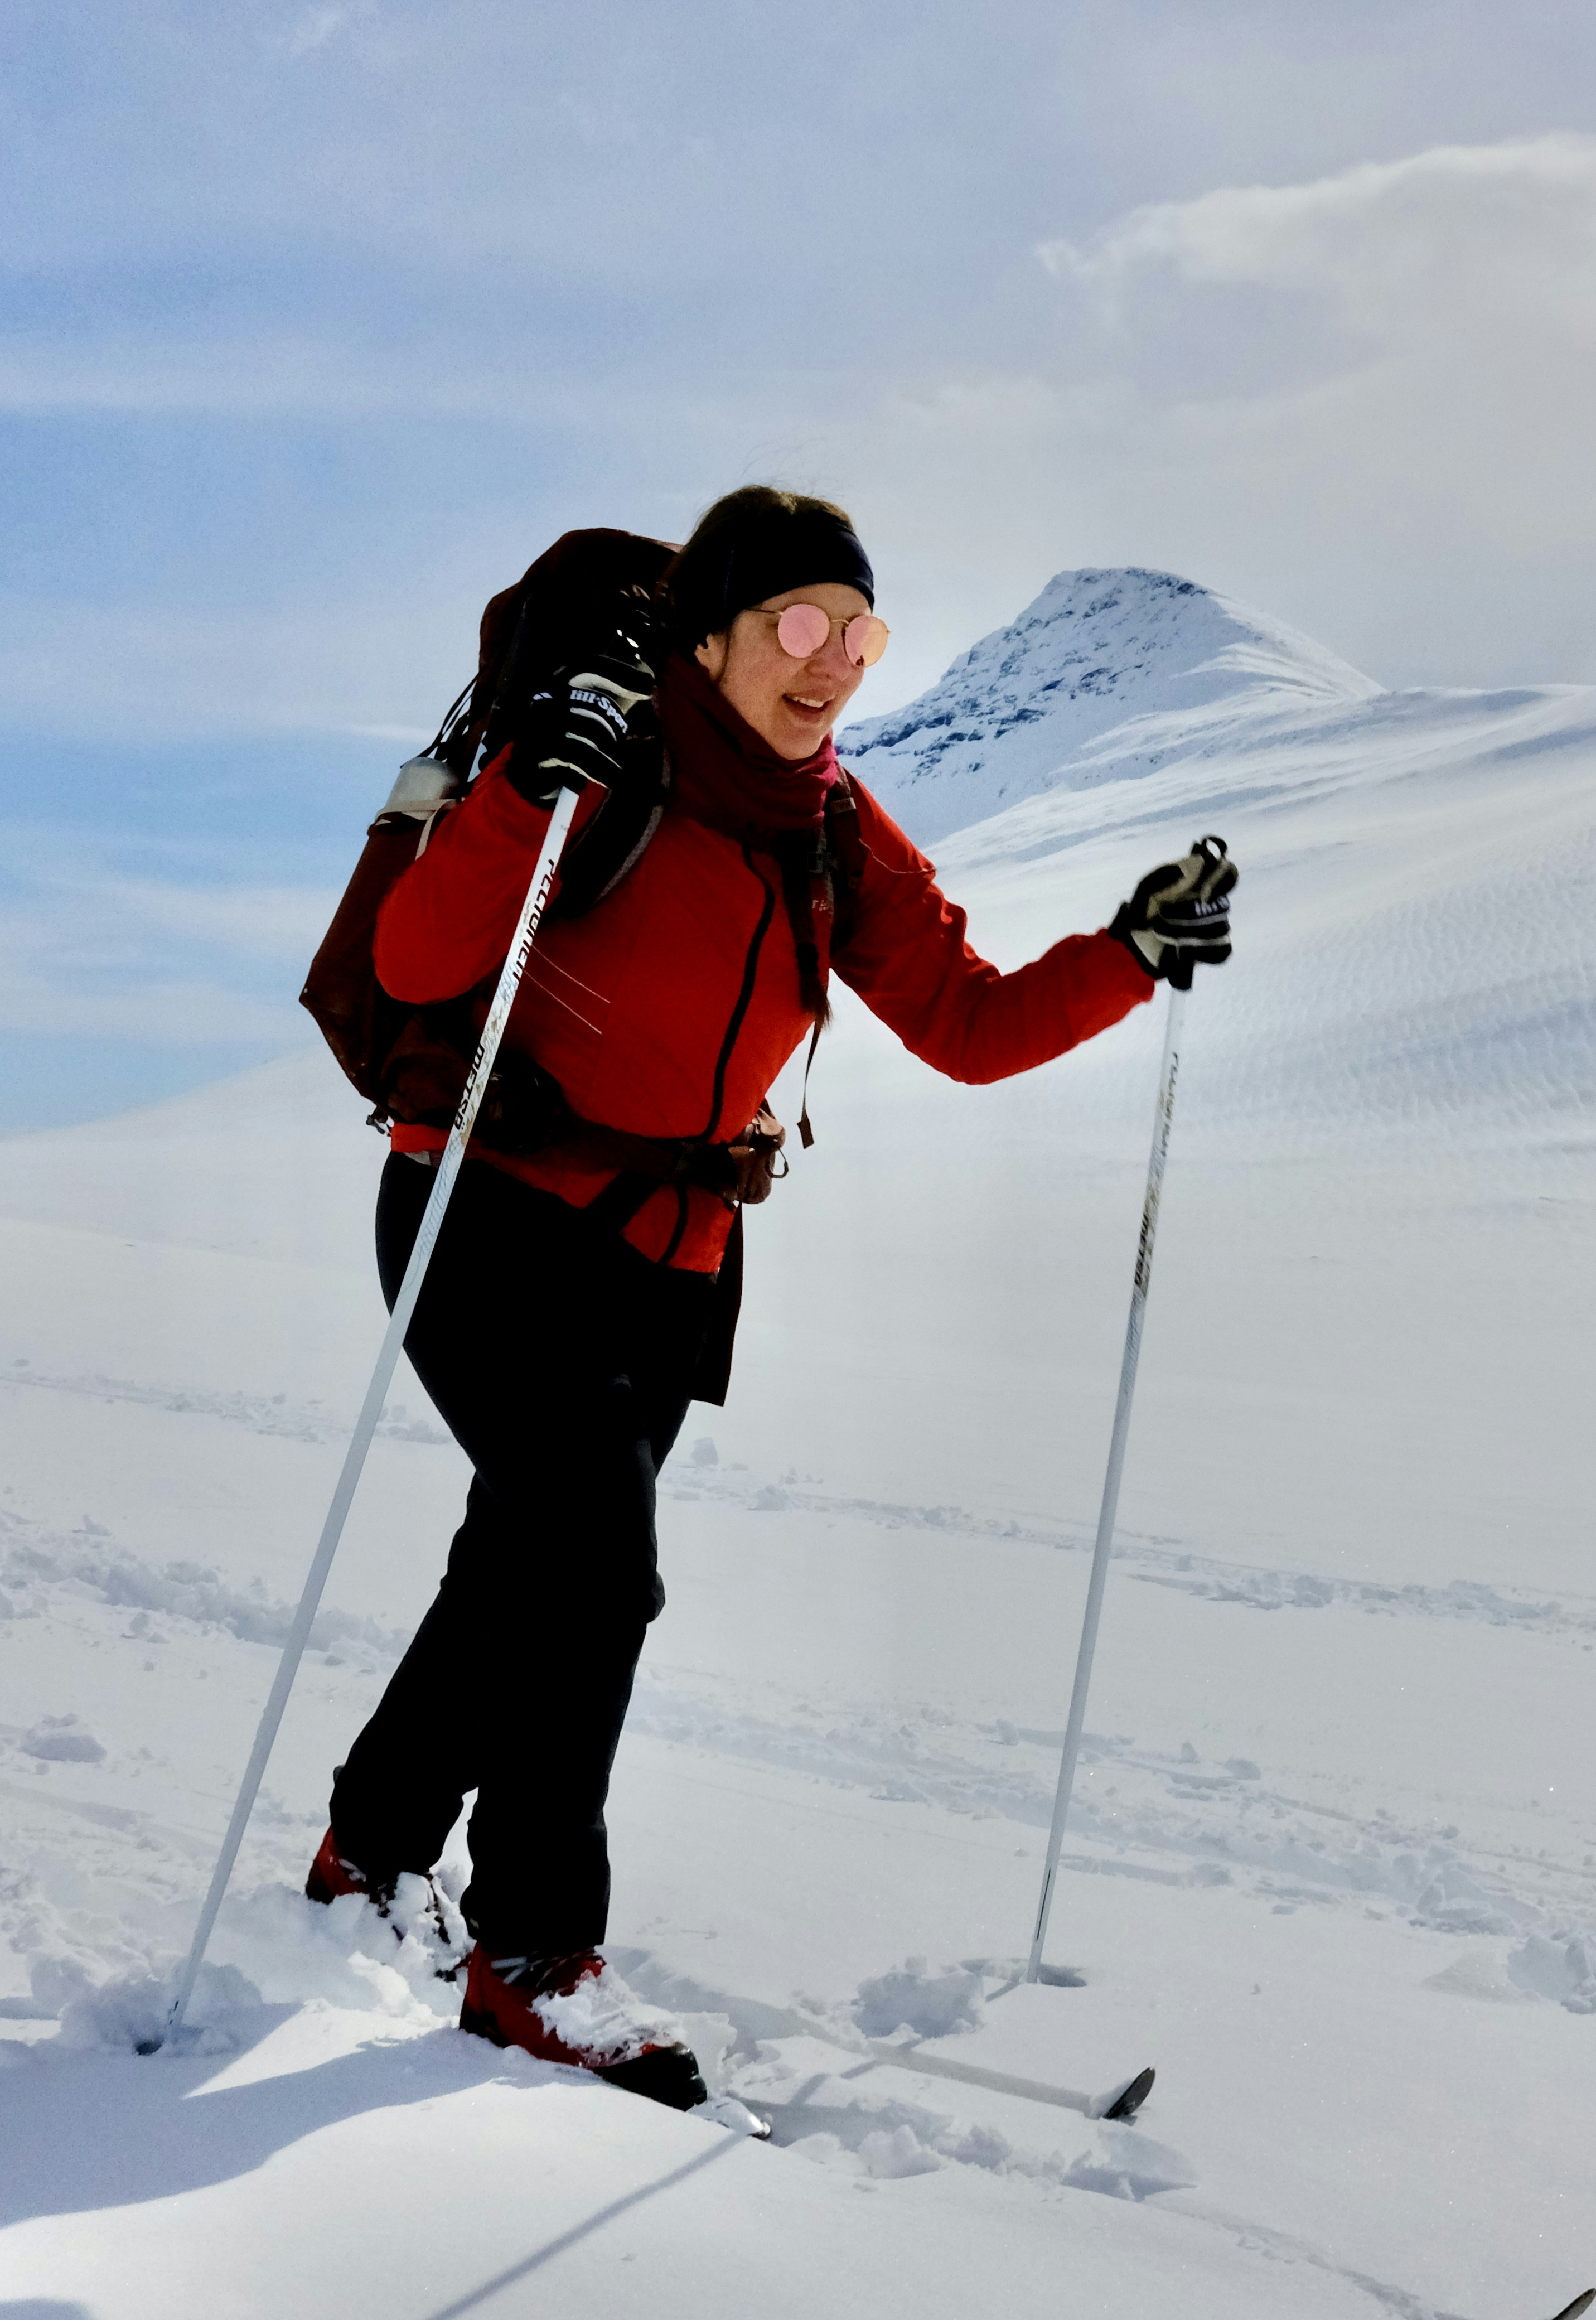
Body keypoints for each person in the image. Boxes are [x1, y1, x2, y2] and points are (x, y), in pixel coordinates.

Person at [306, 486, 1236, 2110]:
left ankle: (366, 1850)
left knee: (527, 1555)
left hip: (669, 1259)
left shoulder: (830, 823)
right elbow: (417, 964)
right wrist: (530, 789)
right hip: (485, 1218)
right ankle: (532, 1962)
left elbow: (961, 1018)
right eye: (799, 626)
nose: (832, 664)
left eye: (860, 634)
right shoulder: (610, 755)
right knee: (593, 1564)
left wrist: (1127, 954)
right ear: (712, 633)